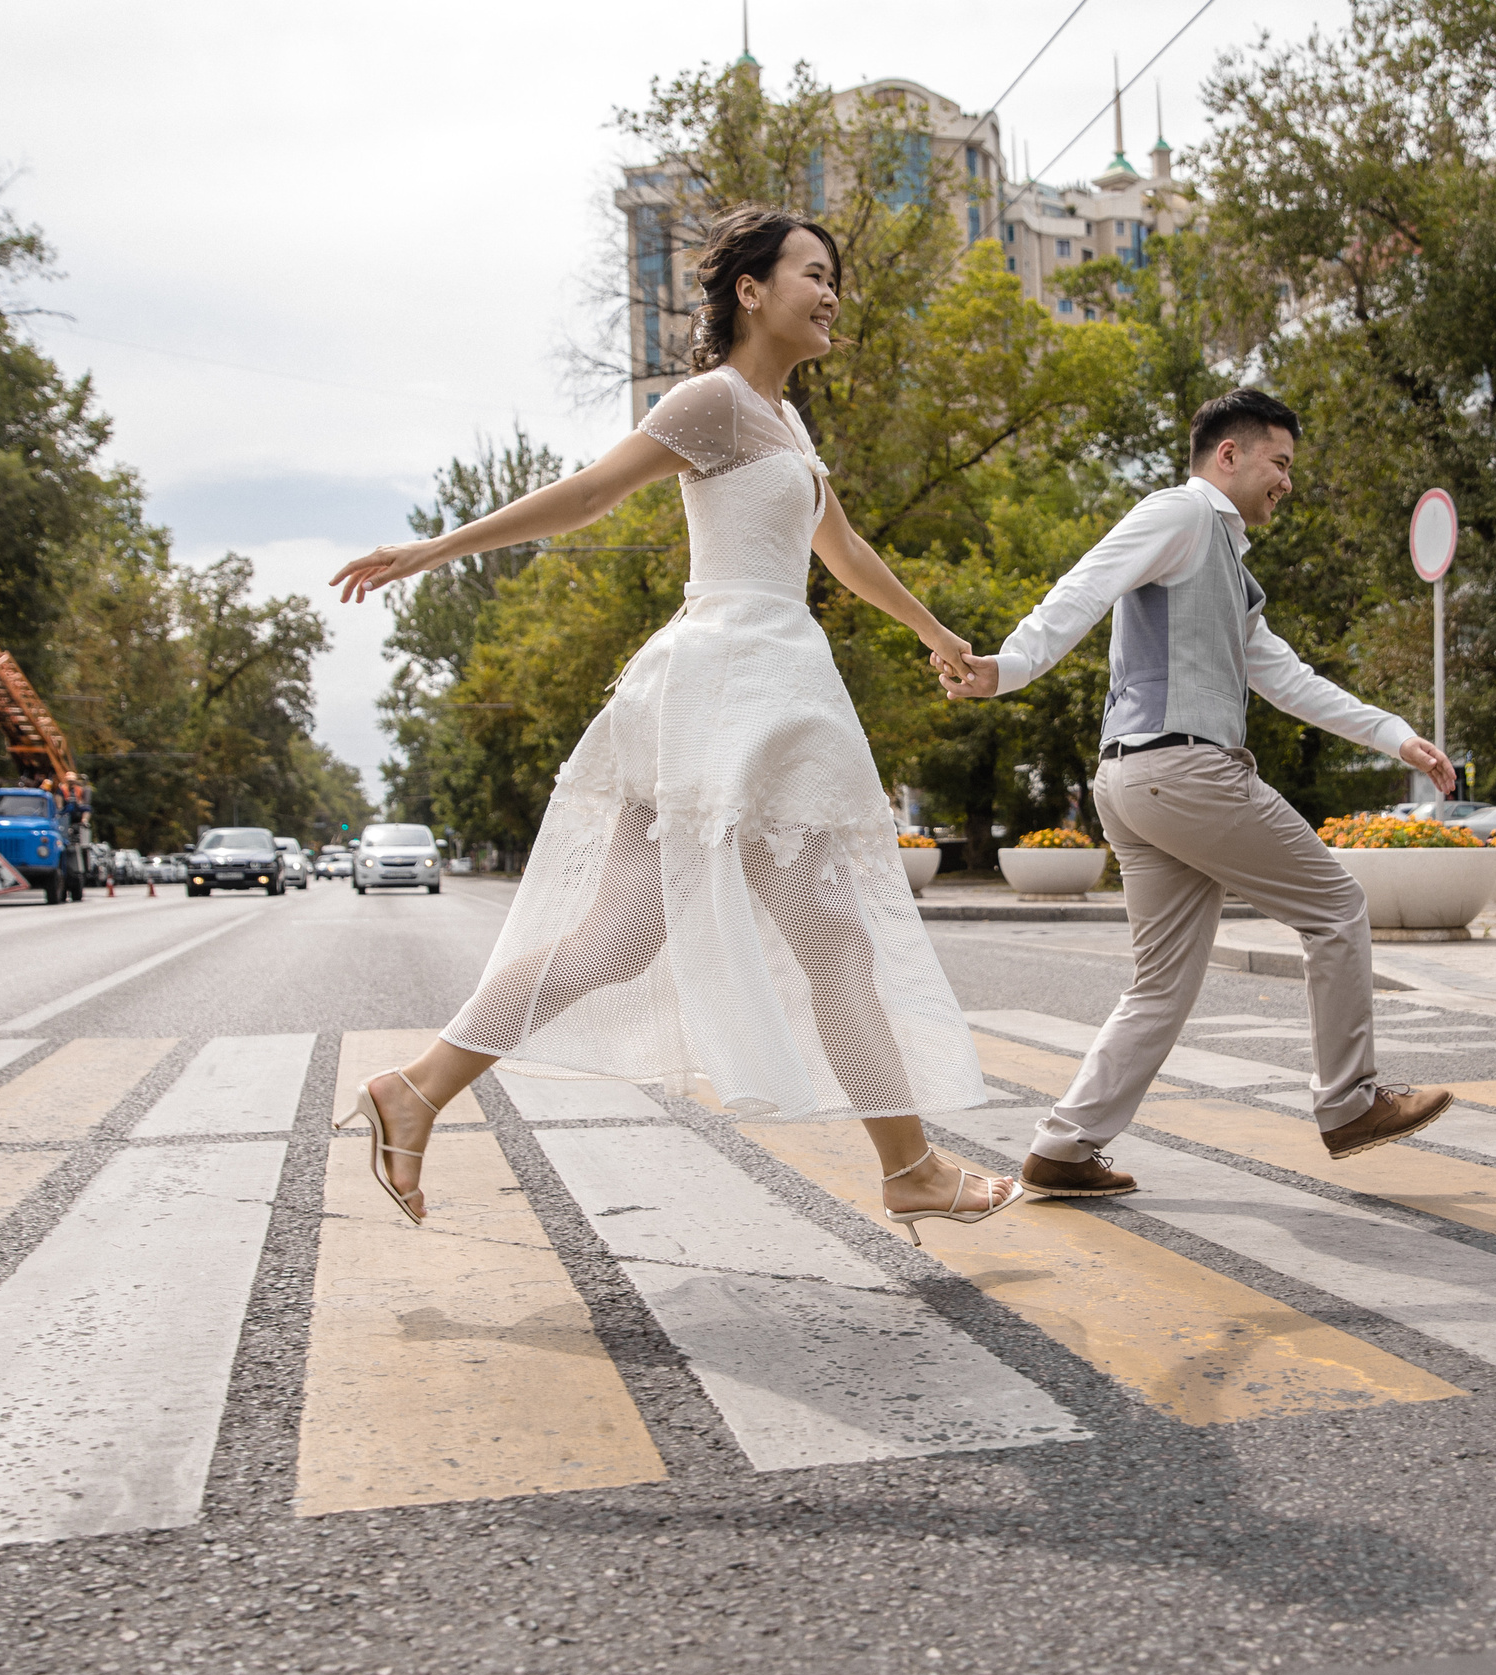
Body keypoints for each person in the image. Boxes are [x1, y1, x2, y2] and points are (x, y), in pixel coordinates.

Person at [329, 204, 1017, 1242]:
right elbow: (587, 496)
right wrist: (430, 552)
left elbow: (840, 547)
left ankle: (418, 1089)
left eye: (835, 278)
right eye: (811, 274)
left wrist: (935, 632)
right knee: (817, 941)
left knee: (628, 940)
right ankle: (910, 1169)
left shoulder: (785, 422)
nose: (830, 295)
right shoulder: (715, 401)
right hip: (725, 688)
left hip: (762, 684)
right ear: (751, 291)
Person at [939, 388, 1460, 1198]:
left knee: (1162, 981)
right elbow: (1084, 585)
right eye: (1279, 463)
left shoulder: (1226, 561)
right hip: (1185, 770)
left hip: (1135, 779)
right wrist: (1005, 670)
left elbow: (1284, 676)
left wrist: (1393, 734)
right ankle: (1349, 1101)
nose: (1287, 481)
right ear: (1230, 455)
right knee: (1337, 906)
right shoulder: (1182, 515)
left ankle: (1065, 1145)